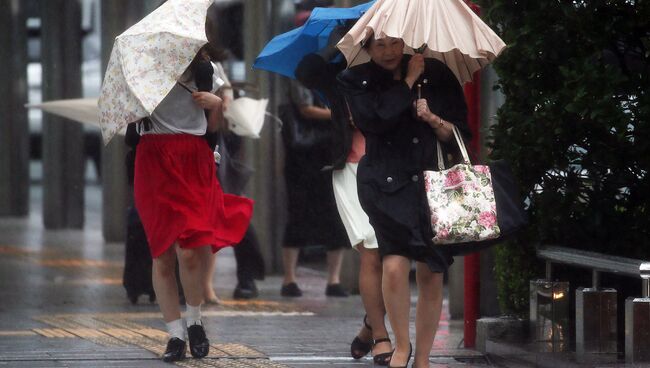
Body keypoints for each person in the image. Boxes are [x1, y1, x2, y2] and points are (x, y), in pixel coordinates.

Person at [338, 36, 470, 368]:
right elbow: (374, 121)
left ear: (405, 43)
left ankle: (423, 358)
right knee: (394, 266)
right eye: (379, 45)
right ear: (367, 48)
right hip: (384, 185)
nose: (388, 52)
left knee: (431, 271)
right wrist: (408, 81)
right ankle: (400, 345)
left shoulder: (437, 74)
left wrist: (433, 120)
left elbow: (461, 134)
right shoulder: (356, 79)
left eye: (394, 44)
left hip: (432, 185)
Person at [133, 44, 253, 362]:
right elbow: (127, 121)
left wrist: (217, 104)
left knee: (188, 251)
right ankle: (174, 336)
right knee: (162, 255)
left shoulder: (205, 70)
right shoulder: (141, 73)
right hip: (153, 160)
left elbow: (217, 125)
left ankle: (195, 321)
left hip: (192, 157)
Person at [294, 23, 392, 365]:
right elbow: (306, 70)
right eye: (371, 43)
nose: (381, 49)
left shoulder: (395, 72)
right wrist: (343, 47)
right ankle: (381, 337)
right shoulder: (337, 77)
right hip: (351, 169)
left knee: (396, 257)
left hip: (394, 171)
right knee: (371, 253)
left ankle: (369, 324)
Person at [280, 7, 351, 298]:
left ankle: (333, 279)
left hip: (331, 150)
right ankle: (289, 278)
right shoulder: (301, 71)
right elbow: (305, 108)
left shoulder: (339, 70)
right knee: (298, 214)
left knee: (335, 215)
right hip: (304, 155)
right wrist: (338, 114)